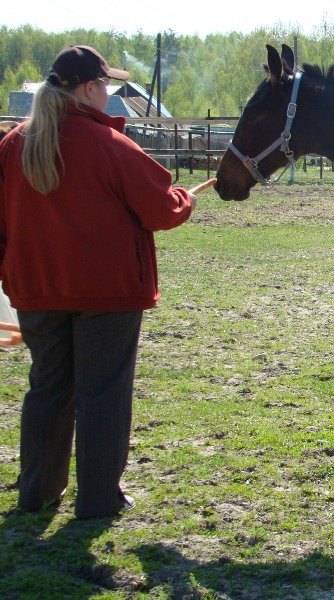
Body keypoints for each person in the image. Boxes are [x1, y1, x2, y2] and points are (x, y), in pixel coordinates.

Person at [0, 45, 196, 518]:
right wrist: (184, 199)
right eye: (105, 84)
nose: (108, 93)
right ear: (89, 88)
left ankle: (38, 490)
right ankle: (99, 497)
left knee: (48, 387)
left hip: (37, 289)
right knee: (102, 392)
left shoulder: (10, 147)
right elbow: (161, 210)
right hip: (106, 293)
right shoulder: (110, 146)